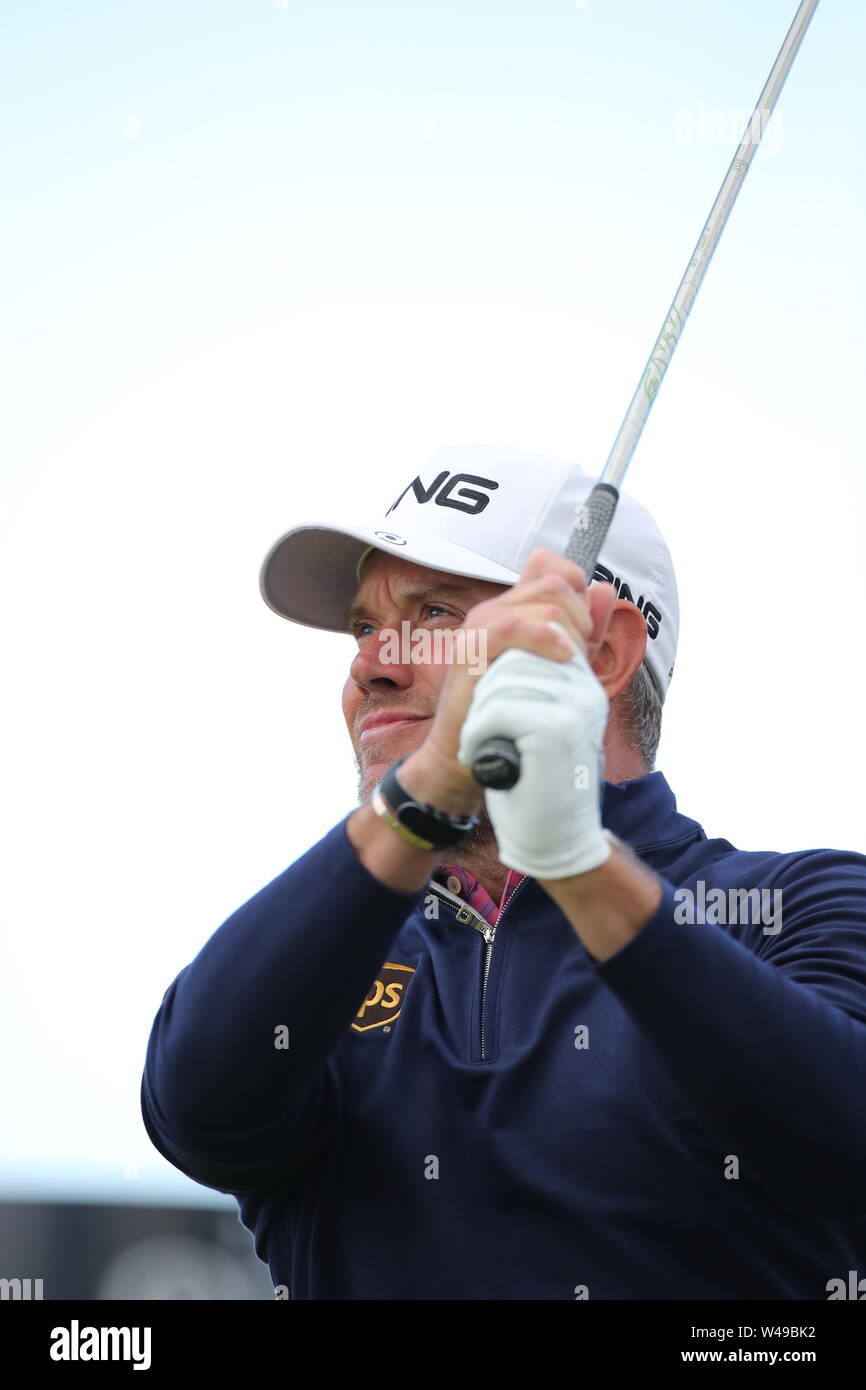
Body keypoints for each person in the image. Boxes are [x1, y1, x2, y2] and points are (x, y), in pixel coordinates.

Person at [141, 443, 866, 1300]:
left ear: (600, 655)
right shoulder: (324, 963)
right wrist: (422, 802)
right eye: (366, 627)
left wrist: (580, 867)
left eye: (436, 614)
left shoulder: (798, 906)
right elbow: (194, 1107)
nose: (370, 665)